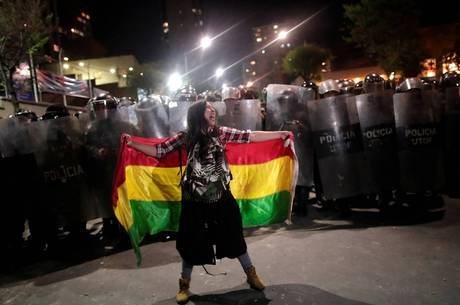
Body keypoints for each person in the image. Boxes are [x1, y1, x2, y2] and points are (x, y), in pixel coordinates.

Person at [124, 101, 290, 304]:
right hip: (194, 200)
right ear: (197, 114)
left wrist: (279, 134)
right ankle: (184, 284)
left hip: (221, 196)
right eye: (207, 108)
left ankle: (251, 274)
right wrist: (132, 143)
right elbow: (160, 151)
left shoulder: (221, 133)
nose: (212, 111)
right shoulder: (186, 137)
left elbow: (250, 136)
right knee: (190, 242)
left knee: (234, 236)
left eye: (213, 108)